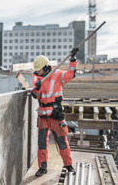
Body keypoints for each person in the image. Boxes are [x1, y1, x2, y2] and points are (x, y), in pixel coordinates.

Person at [31, 48, 79, 177]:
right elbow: (35, 95)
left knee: (62, 142)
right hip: (42, 117)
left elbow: (70, 75)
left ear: (45, 67)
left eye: (39, 69)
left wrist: (73, 60)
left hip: (55, 115)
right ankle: (42, 167)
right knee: (42, 144)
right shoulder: (36, 77)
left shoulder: (57, 74)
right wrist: (37, 87)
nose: (37, 72)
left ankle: (69, 165)